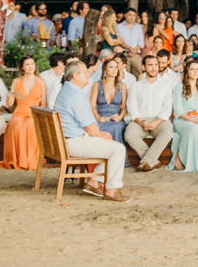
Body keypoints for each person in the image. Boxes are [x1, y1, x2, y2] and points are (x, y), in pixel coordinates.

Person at [53, 60, 132, 202]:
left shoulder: (67, 90)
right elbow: (89, 126)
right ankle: (111, 191)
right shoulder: (75, 95)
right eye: (85, 73)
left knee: (109, 143)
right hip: (73, 143)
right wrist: (103, 140)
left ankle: (93, 182)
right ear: (75, 76)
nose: (89, 76)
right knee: (118, 149)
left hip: (66, 141)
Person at [125, 55, 174, 172]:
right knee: (129, 135)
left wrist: (156, 123)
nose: (154, 68)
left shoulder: (166, 85)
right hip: (140, 120)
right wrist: (140, 122)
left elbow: (167, 108)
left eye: (156, 65)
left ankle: (147, 161)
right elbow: (132, 107)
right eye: (150, 65)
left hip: (160, 120)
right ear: (143, 67)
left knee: (167, 132)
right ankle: (153, 161)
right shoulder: (135, 86)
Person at [0, 55, 45, 170]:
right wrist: (10, 96)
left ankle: (29, 160)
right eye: (27, 65)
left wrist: (36, 114)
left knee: (30, 123)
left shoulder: (41, 81)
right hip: (19, 112)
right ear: (22, 67)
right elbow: (9, 104)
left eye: (32, 64)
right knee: (18, 123)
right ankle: (18, 160)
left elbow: (43, 104)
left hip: (34, 112)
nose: (30, 67)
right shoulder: (16, 81)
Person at [167, 58, 198, 172]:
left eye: (197, 69)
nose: (195, 72)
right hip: (183, 119)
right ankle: (181, 158)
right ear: (187, 71)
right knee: (193, 128)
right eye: (192, 69)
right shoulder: (179, 88)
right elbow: (178, 110)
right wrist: (192, 120)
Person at [90, 56, 128, 166]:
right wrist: (98, 117)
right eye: (111, 67)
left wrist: (120, 117)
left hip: (115, 117)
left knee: (116, 127)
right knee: (98, 128)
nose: (114, 70)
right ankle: (100, 161)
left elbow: (124, 107)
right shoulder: (97, 84)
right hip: (101, 116)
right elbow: (92, 105)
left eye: (116, 67)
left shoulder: (122, 86)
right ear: (105, 70)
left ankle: (117, 162)